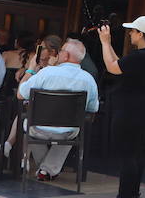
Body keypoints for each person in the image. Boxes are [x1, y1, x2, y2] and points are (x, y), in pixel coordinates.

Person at [98, 16, 145, 198]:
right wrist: (109, 46)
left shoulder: (140, 56)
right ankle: (133, 195)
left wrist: (105, 42)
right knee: (135, 153)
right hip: (141, 109)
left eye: (133, 31)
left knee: (127, 154)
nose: (130, 34)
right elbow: (119, 63)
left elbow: (112, 67)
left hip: (129, 110)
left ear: (141, 34)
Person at [18, 37, 99, 181]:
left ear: (66, 55)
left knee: (29, 126)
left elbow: (20, 94)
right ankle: (46, 170)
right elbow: (92, 109)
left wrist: (30, 69)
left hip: (38, 128)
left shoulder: (47, 73)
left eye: (61, 51)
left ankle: (45, 169)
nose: (59, 53)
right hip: (67, 132)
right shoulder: (89, 80)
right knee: (74, 127)